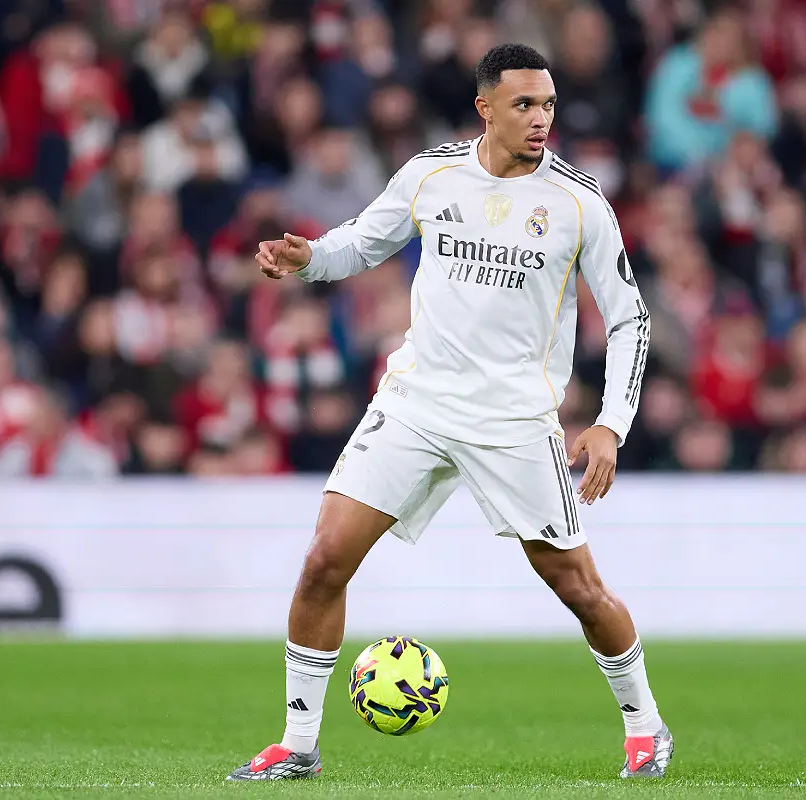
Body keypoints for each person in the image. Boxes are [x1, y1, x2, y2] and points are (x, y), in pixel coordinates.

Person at [227, 44, 670, 782]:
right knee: (323, 560)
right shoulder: (430, 174)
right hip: (417, 401)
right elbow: (358, 247)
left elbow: (630, 320)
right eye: (525, 104)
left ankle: (647, 727)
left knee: (578, 589)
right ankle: (296, 747)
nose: (541, 119)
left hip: (514, 421)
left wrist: (610, 424)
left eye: (549, 104)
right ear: (485, 107)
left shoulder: (579, 202)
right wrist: (309, 260)